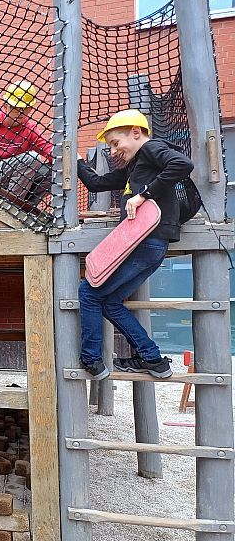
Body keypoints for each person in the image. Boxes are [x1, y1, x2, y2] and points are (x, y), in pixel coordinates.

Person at [76, 109, 193, 380]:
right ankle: (153, 359)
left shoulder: (151, 148)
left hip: (146, 241)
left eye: (116, 143)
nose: (113, 151)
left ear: (136, 133)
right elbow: (96, 183)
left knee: (89, 292)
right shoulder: (134, 167)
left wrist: (143, 195)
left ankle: (91, 360)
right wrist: (78, 162)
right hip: (148, 245)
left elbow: (182, 164)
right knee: (110, 302)